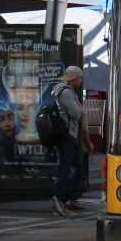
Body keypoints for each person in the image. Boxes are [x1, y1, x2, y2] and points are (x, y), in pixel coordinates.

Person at [51, 65, 92, 217]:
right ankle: (60, 199)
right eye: (80, 78)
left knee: (78, 170)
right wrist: (81, 111)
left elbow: (80, 112)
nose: (81, 81)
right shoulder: (66, 93)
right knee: (65, 169)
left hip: (70, 136)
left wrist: (81, 111)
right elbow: (78, 113)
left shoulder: (69, 93)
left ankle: (60, 201)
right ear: (75, 79)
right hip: (66, 135)